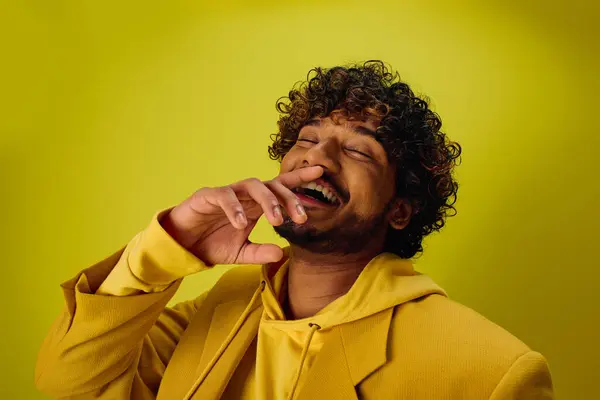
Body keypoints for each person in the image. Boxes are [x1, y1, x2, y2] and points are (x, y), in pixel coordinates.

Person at [35, 61, 554, 400]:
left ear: (400, 209)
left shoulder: (492, 371)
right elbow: (68, 385)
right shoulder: (214, 315)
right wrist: (163, 252)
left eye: (357, 149)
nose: (316, 158)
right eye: (306, 138)